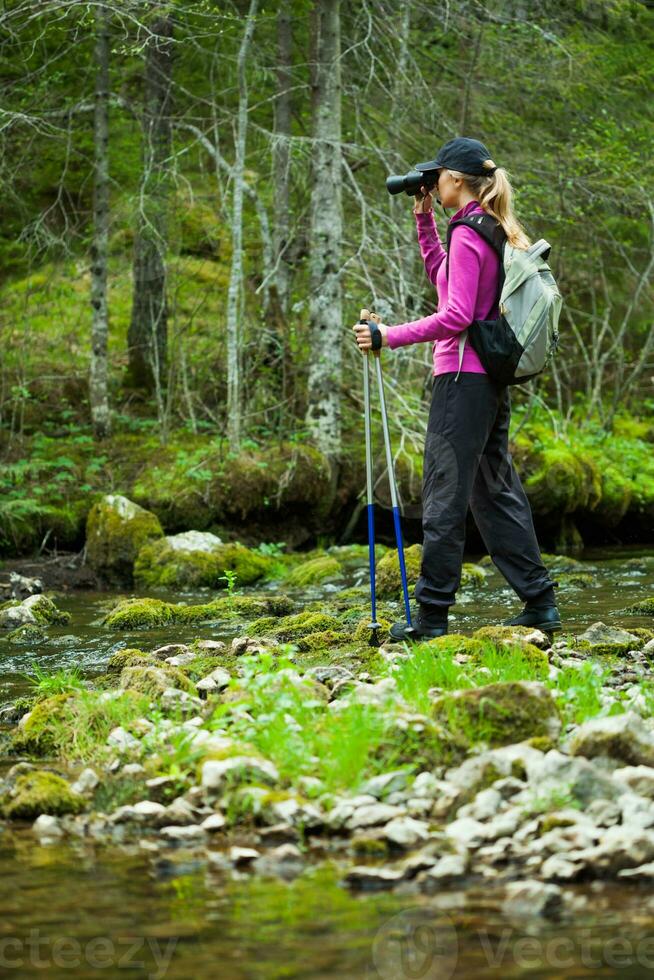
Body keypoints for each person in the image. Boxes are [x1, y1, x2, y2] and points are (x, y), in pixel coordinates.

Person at [353, 137, 561, 641]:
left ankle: (431, 619)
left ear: (457, 179)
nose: (434, 182)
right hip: (483, 382)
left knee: (445, 496)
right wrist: (424, 222)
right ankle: (539, 602)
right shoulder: (484, 228)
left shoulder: (469, 230)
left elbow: (457, 315)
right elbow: (447, 282)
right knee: (493, 492)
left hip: (462, 379)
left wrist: (388, 336)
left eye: (438, 175)